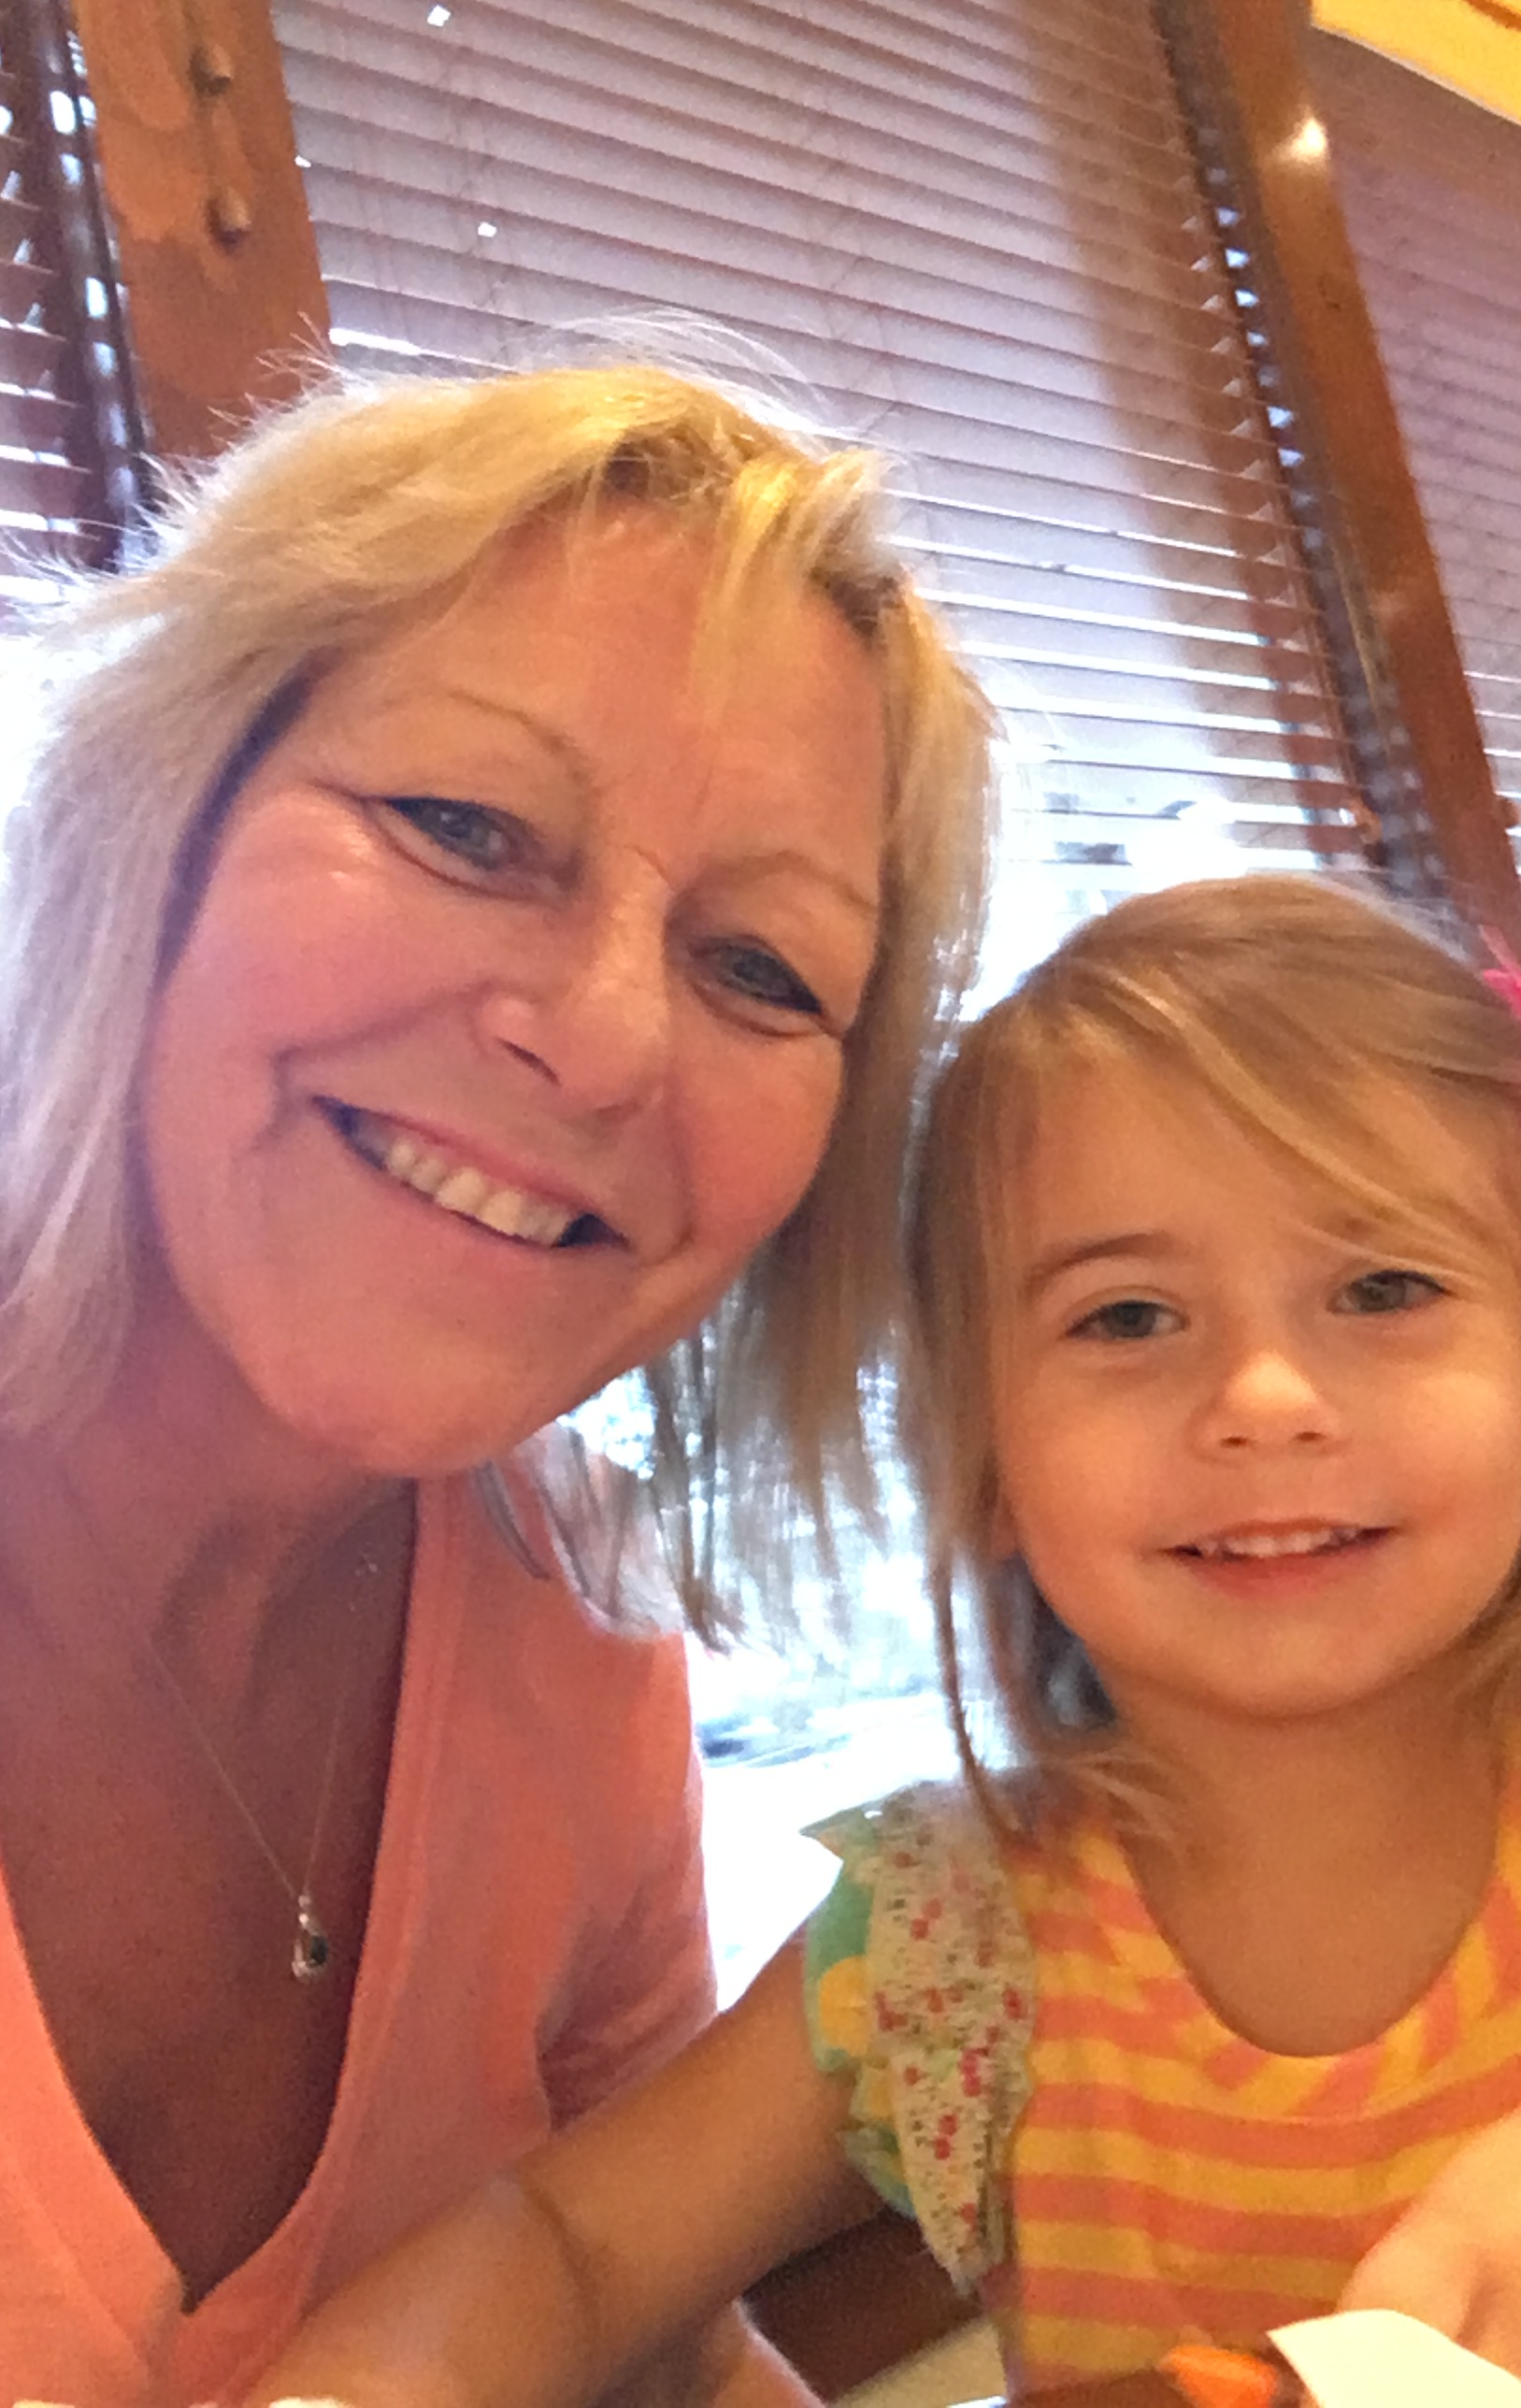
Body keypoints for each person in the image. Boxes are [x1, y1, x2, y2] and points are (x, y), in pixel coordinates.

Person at [249, 876, 1521, 2408]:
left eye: (1383, 1289)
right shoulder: (951, 1951)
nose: (1265, 1398)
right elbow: (569, 2245)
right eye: (1128, 1317)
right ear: (986, 1465)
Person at [0, 357, 993, 2407]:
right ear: (152, 817)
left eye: (758, 967)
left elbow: (648, 2346)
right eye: (465, 828)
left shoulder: (571, 1620)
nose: (609, 1039)